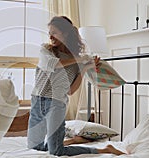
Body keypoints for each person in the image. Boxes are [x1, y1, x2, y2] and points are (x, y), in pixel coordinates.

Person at [27, 16, 125, 156]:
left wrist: (84, 68)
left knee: (57, 151)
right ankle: (70, 141)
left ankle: (104, 149)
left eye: (54, 32)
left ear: (65, 33)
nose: (50, 36)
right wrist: (81, 59)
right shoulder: (46, 50)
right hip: (37, 101)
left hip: (56, 104)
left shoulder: (75, 60)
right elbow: (54, 64)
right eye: (49, 32)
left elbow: (71, 91)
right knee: (34, 147)